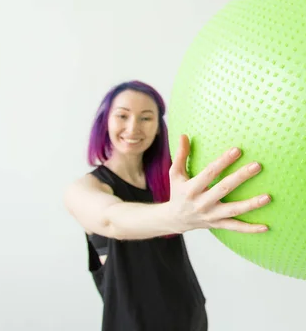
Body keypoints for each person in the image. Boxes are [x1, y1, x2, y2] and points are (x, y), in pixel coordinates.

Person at [63, 80, 271, 331]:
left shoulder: (170, 179)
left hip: (189, 315)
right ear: (105, 121)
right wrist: (176, 215)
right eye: (122, 116)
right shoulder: (83, 190)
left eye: (145, 118)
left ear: (159, 128)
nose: (133, 127)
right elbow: (110, 219)